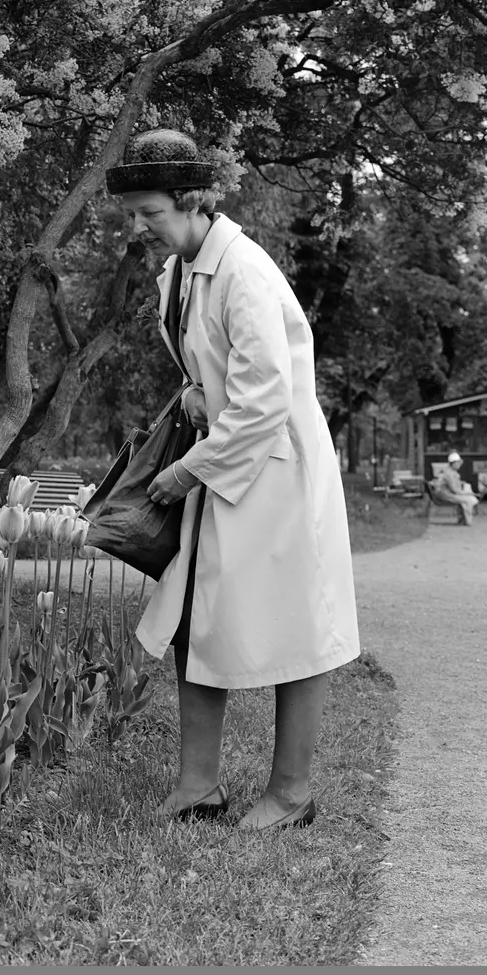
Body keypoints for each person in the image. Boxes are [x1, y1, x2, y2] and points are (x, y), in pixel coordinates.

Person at [105, 129, 361, 831]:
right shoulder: (185, 268)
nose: (139, 227)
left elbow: (266, 399)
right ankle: (198, 787)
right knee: (193, 615)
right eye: (133, 213)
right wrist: (195, 391)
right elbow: (217, 366)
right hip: (228, 461)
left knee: (296, 627)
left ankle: (292, 793)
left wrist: (185, 471)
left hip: (273, 471)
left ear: (190, 202)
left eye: (149, 212)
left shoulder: (243, 271)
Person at [433, 451, 479, 525]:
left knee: (469, 498)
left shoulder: (451, 472)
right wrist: (467, 493)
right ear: (453, 463)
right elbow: (454, 490)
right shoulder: (449, 473)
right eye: (458, 463)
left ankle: (464, 520)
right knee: (468, 499)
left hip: (446, 494)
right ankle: (468, 521)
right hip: (445, 495)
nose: (460, 465)